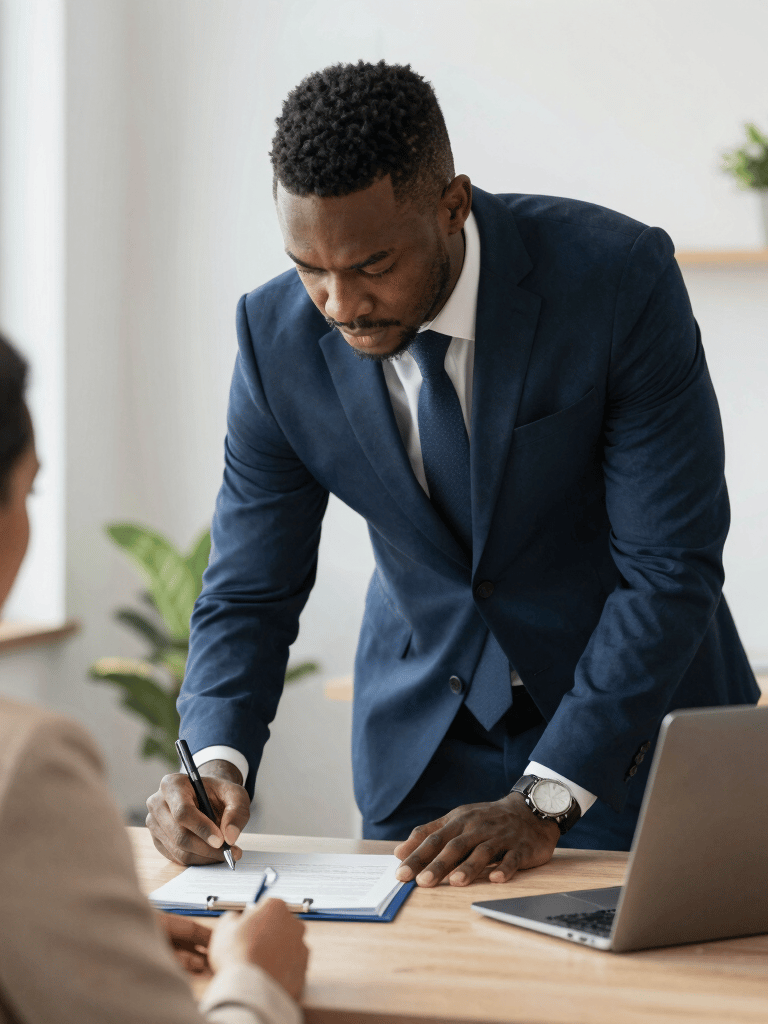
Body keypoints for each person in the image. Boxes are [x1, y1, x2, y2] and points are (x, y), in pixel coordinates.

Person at [146, 61, 759, 888]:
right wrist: (213, 760)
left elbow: (669, 567)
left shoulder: (616, 281)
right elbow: (249, 587)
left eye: (370, 265)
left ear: (452, 206)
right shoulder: (273, 338)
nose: (338, 303)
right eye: (308, 267)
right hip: (424, 746)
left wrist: (543, 801)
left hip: (631, 742)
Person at [0, 333, 308, 1024]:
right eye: (32, 489)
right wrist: (257, 981)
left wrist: (93, 946)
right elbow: (247, 593)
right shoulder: (23, 764)